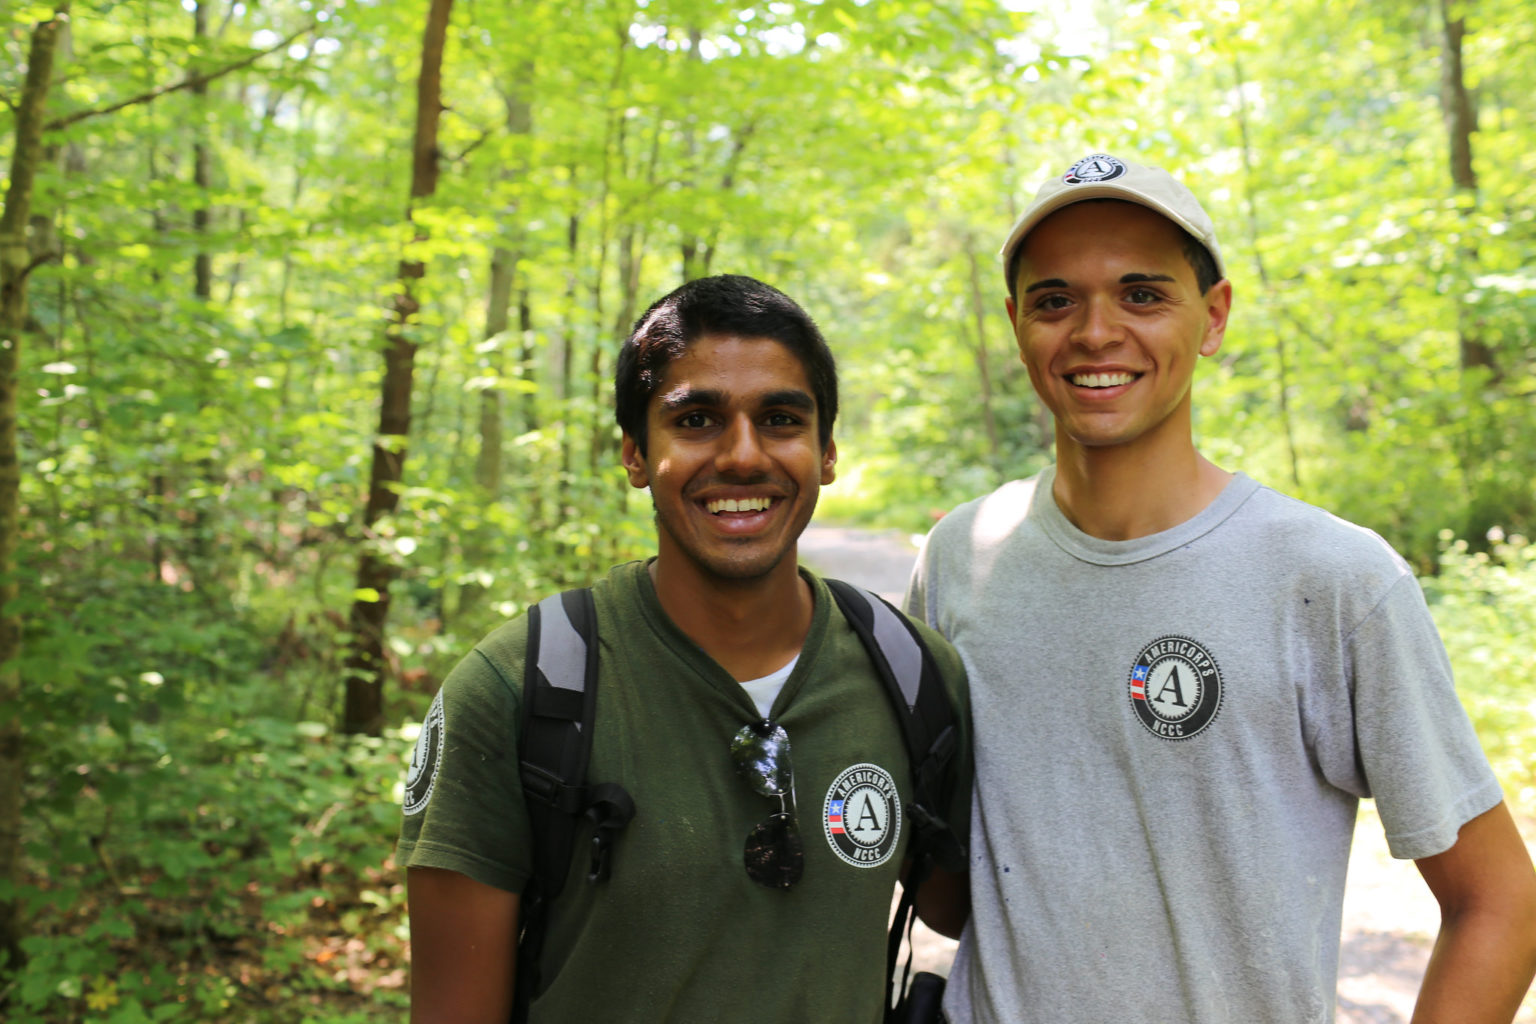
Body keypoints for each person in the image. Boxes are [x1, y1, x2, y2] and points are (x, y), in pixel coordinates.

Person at [905, 152, 1536, 1023]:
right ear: (1016, 324)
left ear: (1214, 316)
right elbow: (950, 888)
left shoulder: (1332, 578)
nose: (1095, 331)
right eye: (1056, 300)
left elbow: (1501, 902)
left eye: (1142, 294)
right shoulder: (959, 557)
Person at [398, 273, 970, 1023]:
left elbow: (962, 911)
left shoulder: (913, 676)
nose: (741, 456)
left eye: (780, 419)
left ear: (827, 452)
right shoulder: (516, 695)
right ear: (635, 455)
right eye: (696, 419)